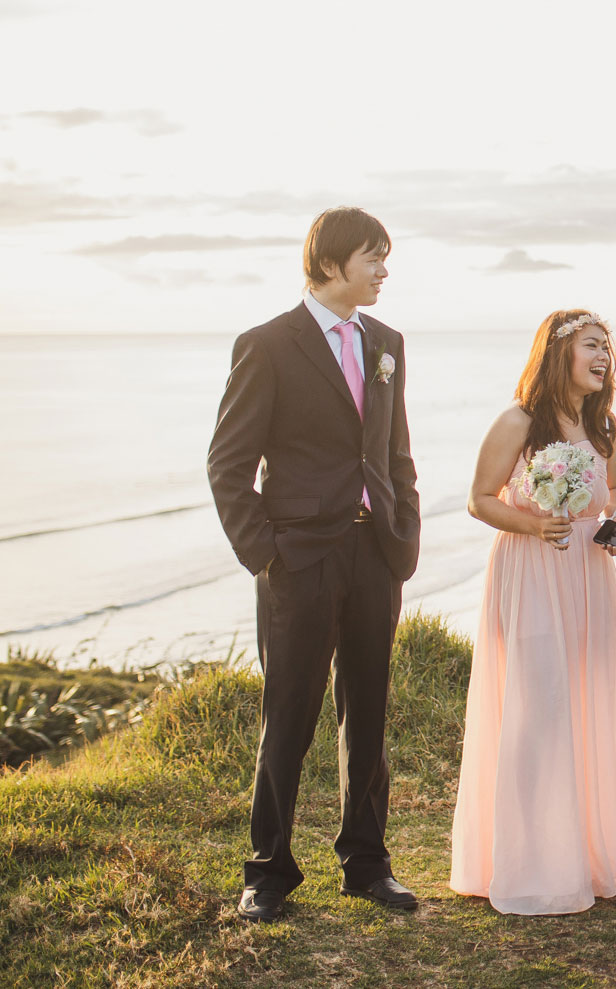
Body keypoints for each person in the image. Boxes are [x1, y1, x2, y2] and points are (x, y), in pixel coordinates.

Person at [207, 207, 421, 922]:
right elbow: (228, 464)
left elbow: (395, 452)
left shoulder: (386, 342)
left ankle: (367, 862)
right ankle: (267, 869)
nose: (385, 270)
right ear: (332, 263)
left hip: (374, 553)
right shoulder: (267, 344)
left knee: (368, 711)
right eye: (374, 257)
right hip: (298, 556)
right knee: (289, 714)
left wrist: (405, 534)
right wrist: (265, 553)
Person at [450, 310, 616, 914]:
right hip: (533, 573)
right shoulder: (517, 421)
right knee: (538, 712)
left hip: (589, 577)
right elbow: (479, 500)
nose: (604, 357)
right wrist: (536, 524)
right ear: (558, 352)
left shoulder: (605, 423)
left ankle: (584, 856)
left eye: (608, 348)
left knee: (588, 706)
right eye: (593, 345)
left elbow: (612, 493)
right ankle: (527, 860)